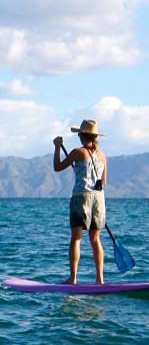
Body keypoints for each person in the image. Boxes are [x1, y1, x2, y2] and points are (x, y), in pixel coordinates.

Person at [53, 119, 108, 284]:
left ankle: (73, 278)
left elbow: (57, 166)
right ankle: (100, 280)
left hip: (81, 197)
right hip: (99, 198)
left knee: (76, 238)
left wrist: (57, 147)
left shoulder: (78, 152)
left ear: (82, 136)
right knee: (95, 239)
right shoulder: (102, 155)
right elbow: (103, 182)